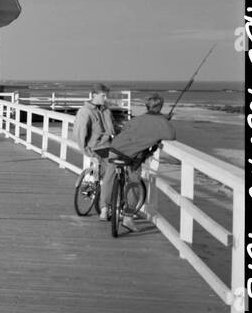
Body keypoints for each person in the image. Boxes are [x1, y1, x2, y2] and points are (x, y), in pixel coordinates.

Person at [97, 93, 177, 226]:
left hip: (115, 148)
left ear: (147, 106)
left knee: (109, 177)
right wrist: (165, 120)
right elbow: (171, 135)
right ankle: (128, 217)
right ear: (161, 107)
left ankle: (104, 209)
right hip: (133, 156)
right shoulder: (162, 121)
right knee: (133, 181)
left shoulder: (136, 119)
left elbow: (127, 129)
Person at [74, 83, 116, 214]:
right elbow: (79, 134)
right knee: (112, 172)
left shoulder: (106, 110)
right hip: (96, 148)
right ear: (94, 95)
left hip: (109, 146)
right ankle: (105, 206)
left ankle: (101, 194)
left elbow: (114, 129)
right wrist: (87, 152)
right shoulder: (85, 112)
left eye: (106, 96)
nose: (106, 99)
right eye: (103, 96)